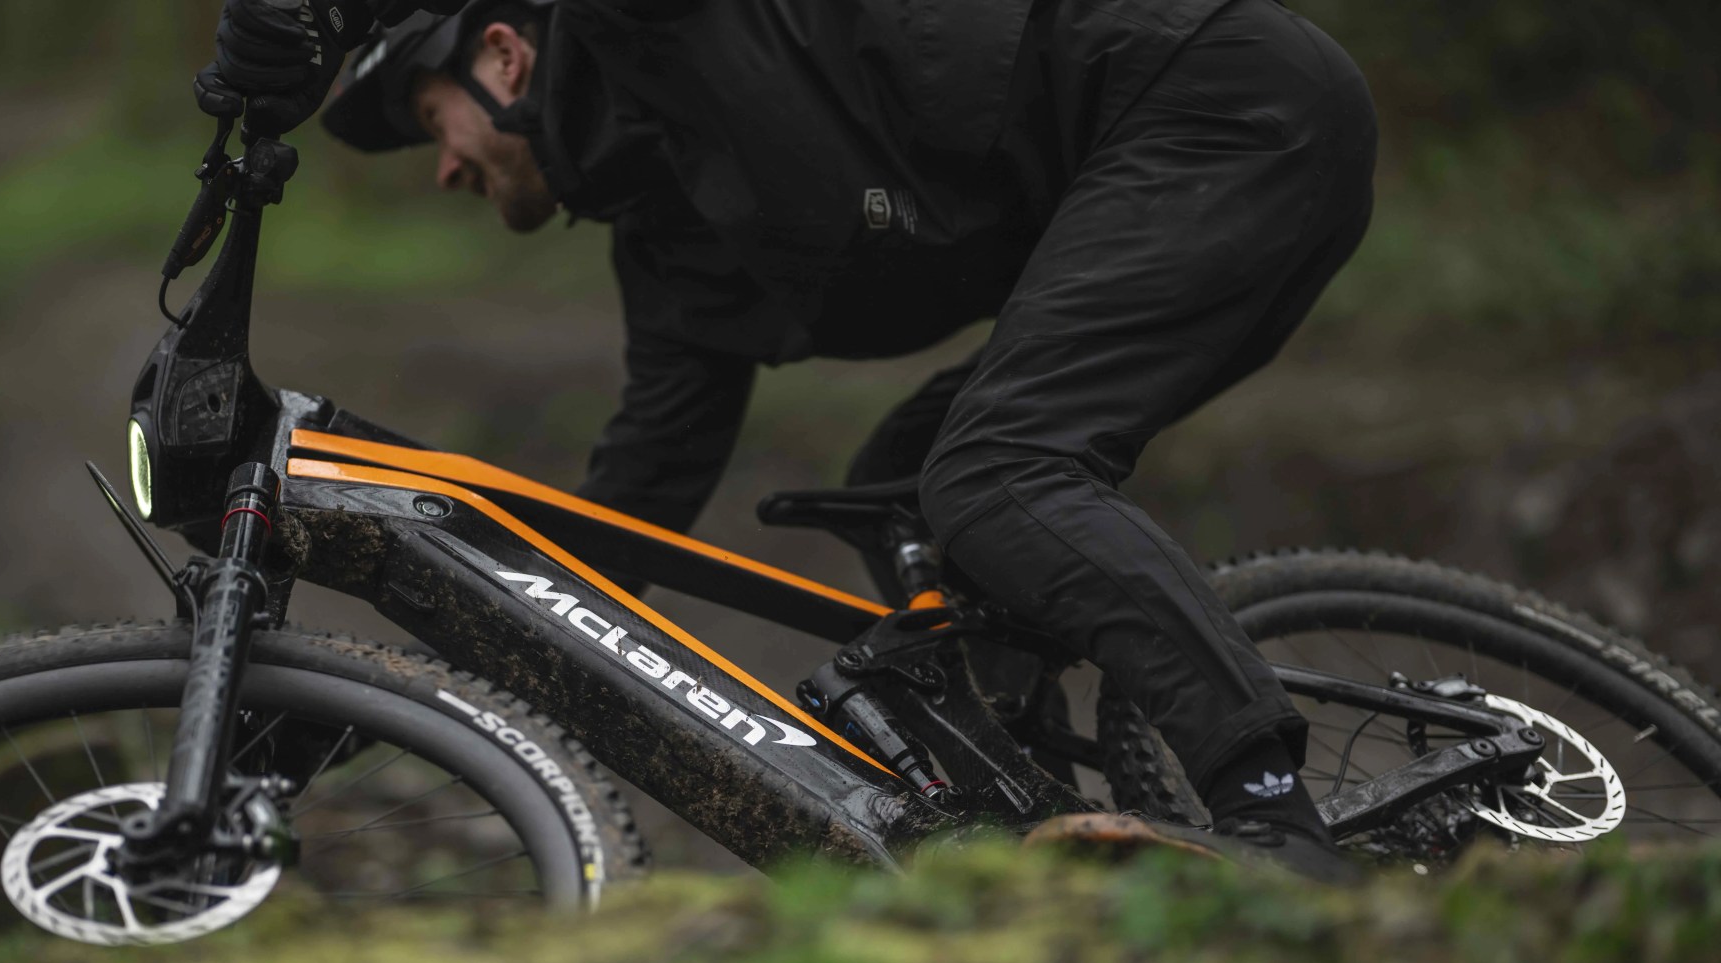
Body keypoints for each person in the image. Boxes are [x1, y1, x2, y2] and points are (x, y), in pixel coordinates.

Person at [194, 0, 1379, 875]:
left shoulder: (653, 31)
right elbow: (615, 528)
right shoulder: (673, 243)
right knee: (911, 484)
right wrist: (351, 715)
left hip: (1217, 114)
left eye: (428, 119)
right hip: (1172, 165)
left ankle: (1273, 815)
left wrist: (324, 12)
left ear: (505, 54)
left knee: (994, 471)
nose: (444, 164)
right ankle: (1049, 803)